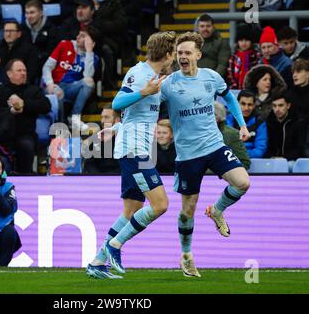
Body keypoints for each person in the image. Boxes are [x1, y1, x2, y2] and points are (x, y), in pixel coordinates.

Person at [85, 31, 176, 279]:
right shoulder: (140, 74)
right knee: (160, 205)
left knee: (132, 209)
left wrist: (115, 128)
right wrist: (144, 92)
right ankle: (113, 246)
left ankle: (97, 262)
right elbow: (117, 104)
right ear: (168, 54)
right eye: (174, 52)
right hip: (134, 150)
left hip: (135, 146)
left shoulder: (154, 76)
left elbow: (131, 115)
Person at [160, 32, 250, 277]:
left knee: (243, 182)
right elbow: (148, 107)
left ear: (198, 55)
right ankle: (186, 256)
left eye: (188, 53)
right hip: (188, 156)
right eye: (180, 53)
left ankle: (218, 210)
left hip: (214, 146)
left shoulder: (211, 77)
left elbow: (229, 97)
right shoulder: (168, 84)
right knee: (187, 210)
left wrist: (241, 124)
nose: (183, 57)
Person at [0, 59, 51, 173]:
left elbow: (46, 106)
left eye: (24, 70)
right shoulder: (1, 90)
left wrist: (24, 103)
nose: (23, 73)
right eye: (19, 70)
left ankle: (25, 177)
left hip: (25, 134)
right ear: (9, 73)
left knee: (26, 145)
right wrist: (12, 110)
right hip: (2, 133)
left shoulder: (33, 90)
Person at [42, 25, 99, 130]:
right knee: (58, 92)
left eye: (83, 36)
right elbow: (47, 67)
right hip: (54, 85)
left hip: (71, 88)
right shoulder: (64, 44)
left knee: (89, 82)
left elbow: (88, 76)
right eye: (79, 34)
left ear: (92, 42)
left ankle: (74, 118)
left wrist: (89, 52)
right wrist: (50, 83)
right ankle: (61, 125)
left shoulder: (93, 58)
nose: (78, 37)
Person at [0, 20, 40, 84]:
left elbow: (32, 72)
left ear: (19, 34)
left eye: (11, 31)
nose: (8, 34)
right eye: (6, 31)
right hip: (2, 85)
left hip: (22, 85)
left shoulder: (29, 50)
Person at [226, 90, 268, 158]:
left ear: (254, 105)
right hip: (230, 159)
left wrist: (240, 154)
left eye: (250, 104)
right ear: (237, 103)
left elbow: (260, 151)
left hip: (252, 160)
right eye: (243, 104)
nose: (246, 108)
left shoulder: (260, 122)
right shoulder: (228, 119)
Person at [285, 59, 309, 135]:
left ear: (308, 74)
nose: (294, 75)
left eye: (298, 72)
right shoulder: (288, 94)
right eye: (293, 72)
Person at [266, 94, 304, 167]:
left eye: (280, 105)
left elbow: (299, 147)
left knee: (290, 166)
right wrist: (272, 157)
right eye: (274, 106)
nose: (277, 109)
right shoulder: (269, 122)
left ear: (288, 106)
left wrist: (284, 158)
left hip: (291, 160)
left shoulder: (298, 123)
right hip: (272, 159)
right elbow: (267, 146)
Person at [22, 0, 60, 70]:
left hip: (44, 64)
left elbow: (52, 52)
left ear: (41, 13)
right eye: (27, 13)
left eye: (32, 12)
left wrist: (37, 57)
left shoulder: (52, 29)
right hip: (25, 64)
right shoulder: (22, 28)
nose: (29, 16)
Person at [83, 105, 121, 174]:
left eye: (106, 117)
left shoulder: (125, 139)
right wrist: (99, 177)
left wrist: (106, 177)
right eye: (102, 117)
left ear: (117, 120)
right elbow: (89, 163)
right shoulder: (97, 137)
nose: (102, 121)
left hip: (118, 179)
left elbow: (126, 166)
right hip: (99, 179)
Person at [214, 101, 251, 169]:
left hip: (221, 177)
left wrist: (220, 171)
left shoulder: (232, 135)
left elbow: (244, 163)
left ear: (217, 118)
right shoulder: (197, 134)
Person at [226, 24, 261, 90]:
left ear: (251, 42)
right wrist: (234, 86)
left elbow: (257, 73)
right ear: (237, 42)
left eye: (247, 40)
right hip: (236, 89)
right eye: (241, 40)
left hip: (252, 89)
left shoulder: (256, 56)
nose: (244, 43)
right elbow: (230, 74)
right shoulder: (233, 57)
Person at [196, 14, 231, 78]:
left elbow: (222, 65)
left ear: (213, 27)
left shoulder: (222, 43)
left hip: (213, 81)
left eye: (208, 26)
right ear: (198, 28)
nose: (205, 29)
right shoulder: (191, 43)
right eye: (202, 26)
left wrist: (212, 80)